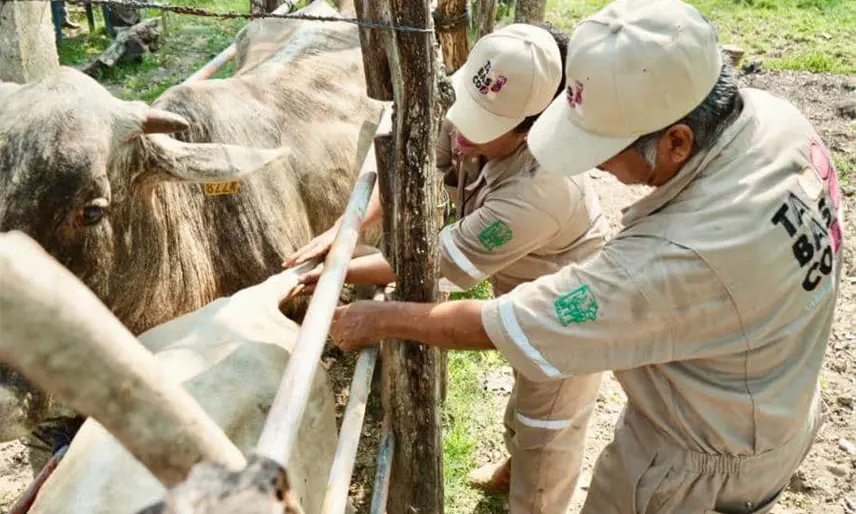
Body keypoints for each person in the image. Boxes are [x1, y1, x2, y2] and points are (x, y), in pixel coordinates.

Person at [324, 0, 847, 512]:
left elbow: (510, 324)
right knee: (531, 409)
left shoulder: (666, 261)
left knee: (547, 425)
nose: (594, 166)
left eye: (602, 148)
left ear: (676, 143)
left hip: (696, 462)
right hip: (771, 395)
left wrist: (381, 317)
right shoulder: (775, 121)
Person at [284, 23, 608, 514]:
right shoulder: (466, 120)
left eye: (482, 124)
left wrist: (337, 270)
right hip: (517, 275)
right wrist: (345, 228)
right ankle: (516, 463)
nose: (460, 129)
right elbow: (412, 170)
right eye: (464, 108)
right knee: (525, 381)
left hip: (566, 305)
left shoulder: (539, 191)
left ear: (530, 129)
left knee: (549, 414)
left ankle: (536, 493)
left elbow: (431, 261)